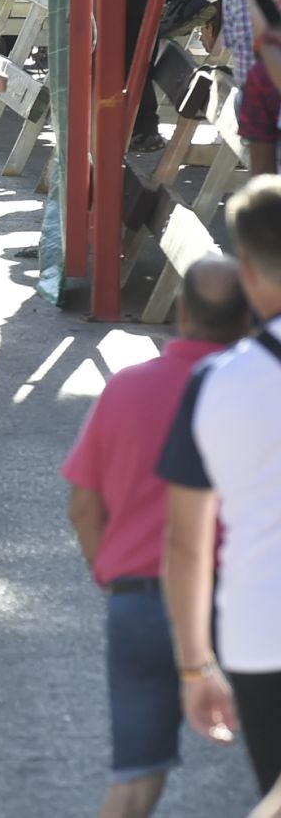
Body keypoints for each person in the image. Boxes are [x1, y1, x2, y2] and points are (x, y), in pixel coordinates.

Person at [64, 256, 249, 818]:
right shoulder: (258, 390)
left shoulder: (125, 389)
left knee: (135, 783)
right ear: (247, 319)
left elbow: (83, 507)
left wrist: (114, 578)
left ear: (182, 310)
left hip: (141, 601)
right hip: (241, 605)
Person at [159, 176, 281, 795]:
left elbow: (185, 545)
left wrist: (191, 667)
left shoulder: (213, 385)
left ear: (250, 278)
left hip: (263, 634)